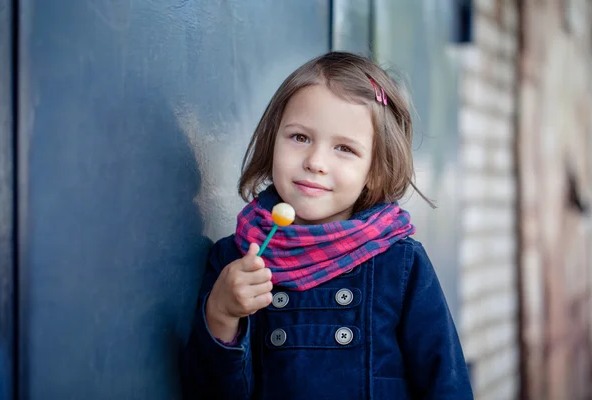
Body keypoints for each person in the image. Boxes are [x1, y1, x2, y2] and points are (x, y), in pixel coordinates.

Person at [181, 51, 473, 399]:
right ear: (273, 140)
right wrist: (221, 314)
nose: (316, 162)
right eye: (300, 137)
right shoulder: (236, 259)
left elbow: (446, 384)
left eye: (344, 149)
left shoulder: (401, 264)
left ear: (374, 172)